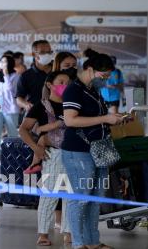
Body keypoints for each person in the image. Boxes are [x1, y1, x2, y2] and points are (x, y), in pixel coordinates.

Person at [62, 51, 123, 249]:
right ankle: (78, 243)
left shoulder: (92, 90)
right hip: (78, 151)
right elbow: (71, 120)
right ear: (90, 69)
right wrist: (105, 119)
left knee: (94, 199)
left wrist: (115, 119)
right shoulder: (74, 90)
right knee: (80, 199)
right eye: (103, 76)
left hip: (97, 150)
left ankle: (93, 242)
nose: (105, 81)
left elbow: (96, 118)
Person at [19, 71, 72, 246]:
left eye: (68, 81)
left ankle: (69, 233)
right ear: (50, 85)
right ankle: (43, 233)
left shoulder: (72, 105)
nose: (65, 84)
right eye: (61, 81)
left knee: (71, 195)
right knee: (49, 195)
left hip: (74, 154)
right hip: (53, 154)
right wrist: (36, 148)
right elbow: (23, 129)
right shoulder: (41, 106)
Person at [16, 40, 53, 113]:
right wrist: (26, 105)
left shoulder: (58, 71)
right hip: (35, 114)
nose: (47, 55)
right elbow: (19, 98)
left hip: (56, 114)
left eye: (49, 52)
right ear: (33, 54)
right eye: (42, 52)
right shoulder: (26, 75)